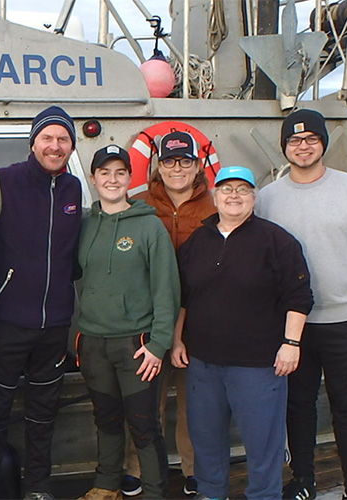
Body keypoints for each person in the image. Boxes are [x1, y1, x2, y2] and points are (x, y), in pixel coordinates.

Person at [255, 109, 347, 500]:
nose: (303, 146)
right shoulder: (267, 198)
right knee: (297, 408)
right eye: (295, 140)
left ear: (322, 144)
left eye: (311, 139)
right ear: (285, 147)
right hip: (292, 328)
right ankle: (303, 482)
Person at [173, 166, 314, 500]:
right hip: (203, 362)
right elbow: (182, 296)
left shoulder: (277, 240)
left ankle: (264, 496)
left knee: (263, 442)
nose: (233, 196)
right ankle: (210, 493)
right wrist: (178, 339)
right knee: (206, 438)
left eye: (242, 189)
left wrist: (291, 343)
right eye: (226, 189)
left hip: (258, 363)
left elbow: (300, 296)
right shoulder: (198, 240)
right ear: (214, 195)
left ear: (254, 197)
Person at [0, 106, 83, 500]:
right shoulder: (2, 182)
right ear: (33, 142)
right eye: (47, 138)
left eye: (63, 139)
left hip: (54, 326)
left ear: (71, 146)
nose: (55, 146)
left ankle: (37, 488)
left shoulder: (73, 189)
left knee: (43, 414)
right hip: (7, 322)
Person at [76, 145, 179, 500]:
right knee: (105, 419)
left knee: (144, 426)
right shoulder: (85, 225)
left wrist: (158, 345)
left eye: (120, 172)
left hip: (135, 346)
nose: (112, 179)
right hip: (93, 343)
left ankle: (154, 492)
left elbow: (167, 289)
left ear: (129, 179)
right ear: (93, 178)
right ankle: (106, 485)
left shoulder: (149, 227)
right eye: (104, 173)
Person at [124, 130, 217, 497]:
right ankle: (137, 467)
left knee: (196, 403)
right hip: (149, 322)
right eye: (169, 161)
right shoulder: (139, 204)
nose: (177, 168)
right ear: (157, 167)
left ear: (197, 166)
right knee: (146, 400)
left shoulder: (215, 205)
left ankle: (194, 469)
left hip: (200, 322)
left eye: (185, 160)